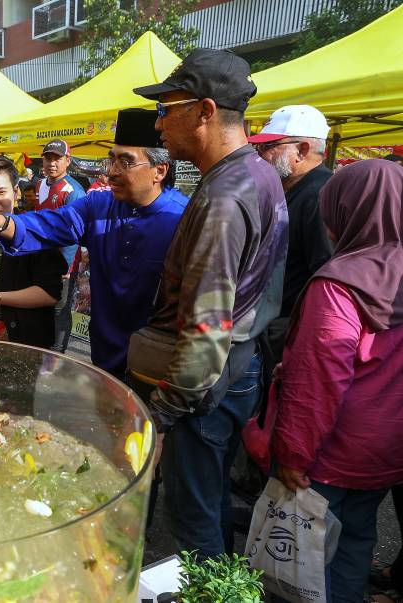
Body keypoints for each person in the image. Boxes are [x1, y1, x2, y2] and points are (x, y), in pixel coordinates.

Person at [130, 48, 288, 558]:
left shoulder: (225, 197)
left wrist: (163, 413)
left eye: (165, 109)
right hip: (237, 369)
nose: (158, 125)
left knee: (194, 521)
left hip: (207, 382)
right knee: (213, 500)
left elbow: (206, 326)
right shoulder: (257, 174)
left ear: (204, 111)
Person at [0, 109, 187, 378]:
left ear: (160, 171)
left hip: (160, 363)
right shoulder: (99, 205)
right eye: (112, 161)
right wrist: (1, 224)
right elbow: (50, 225)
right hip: (106, 355)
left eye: (125, 162)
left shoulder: (182, 219)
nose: (113, 172)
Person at [273, 160, 403, 603]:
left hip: (332, 448)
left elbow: (318, 381)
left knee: (310, 556)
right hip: (389, 447)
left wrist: (293, 453)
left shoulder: (339, 283)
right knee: (358, 537)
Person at [249, 105, 334, 358]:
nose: (259, 155)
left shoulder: (319, 195)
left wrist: (294, 329)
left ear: (302, 150)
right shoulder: (290, 189)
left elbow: (324, 272)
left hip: (287, 329)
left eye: (267, 147)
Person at [0, 157, 67, 348]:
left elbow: (49, 293)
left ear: (15, 192)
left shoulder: (36, 233)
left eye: (1, 191)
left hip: (20, 342)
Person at [32, 139, 86, 211]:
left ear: (68, 161)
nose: (52, 164)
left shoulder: (73, 190)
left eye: (57, 159)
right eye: (48, 159)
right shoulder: (40, 183)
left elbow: (76, 221)